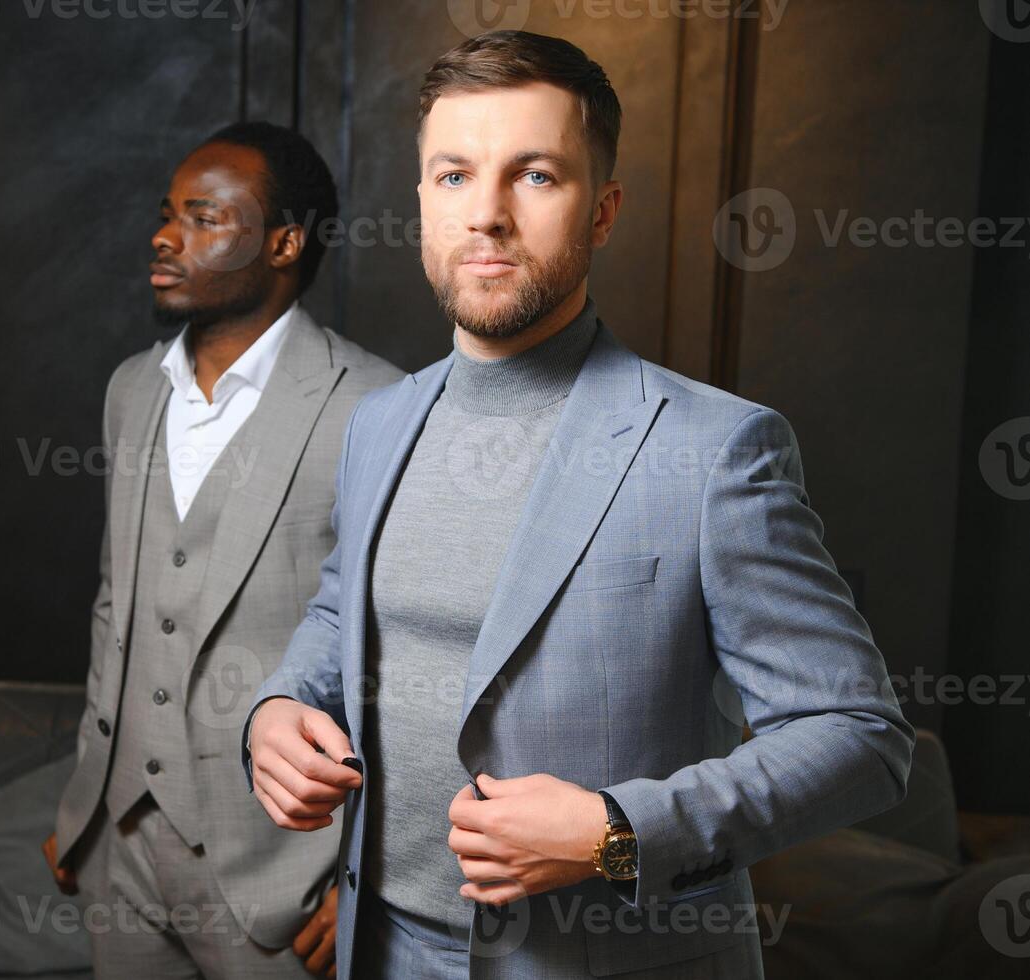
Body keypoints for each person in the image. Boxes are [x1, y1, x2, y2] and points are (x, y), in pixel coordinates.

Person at [243, 31, 914, 980]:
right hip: (378, 951)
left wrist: (616, 831)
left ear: (602, 212)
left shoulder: (715, 449)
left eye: (535, 176)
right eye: (452, 176)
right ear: (421, 200)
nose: (486, 215)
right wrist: (279, 706)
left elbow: (860, 739)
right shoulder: (378, 424)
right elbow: (341, 608)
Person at [47, 120, 402, 979]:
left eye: (205, 218)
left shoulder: (377, 405)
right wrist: (84, 800)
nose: (166, 237)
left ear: (284, 241)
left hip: (284, 868)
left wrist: (368, 873)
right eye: (167, 214)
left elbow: (400, 663)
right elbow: (114, 605)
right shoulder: (132, 389)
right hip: (118, 841)